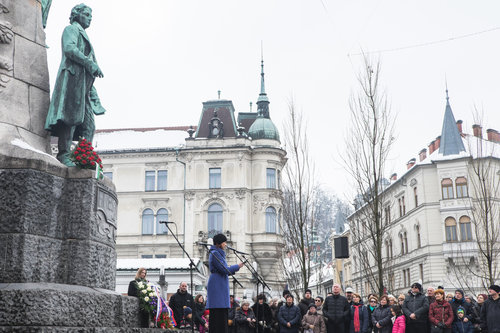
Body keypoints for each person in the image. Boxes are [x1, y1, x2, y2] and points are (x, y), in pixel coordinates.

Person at [44, 3, 105, 167]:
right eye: (86, 14)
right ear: (77, 15)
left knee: (89, 125)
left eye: (91, 15)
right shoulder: (71, 29)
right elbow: (69, 49)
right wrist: (89, 64)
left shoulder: (83, 33)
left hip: (83, 85)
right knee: (70, 118)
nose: (90, 18)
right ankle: (64, 154)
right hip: (71, 80)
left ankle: (83, 156)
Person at [206, 233, 244, 333]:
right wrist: (237, 266)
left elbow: (224, 270)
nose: (226, 244)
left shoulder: (219, 253)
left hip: (220, 282)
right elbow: (224, 269)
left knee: (222, 314)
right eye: (224, 242)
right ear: (219, 243)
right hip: (217, 285)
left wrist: (234, 268)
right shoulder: (215, 253)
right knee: (218, 315)